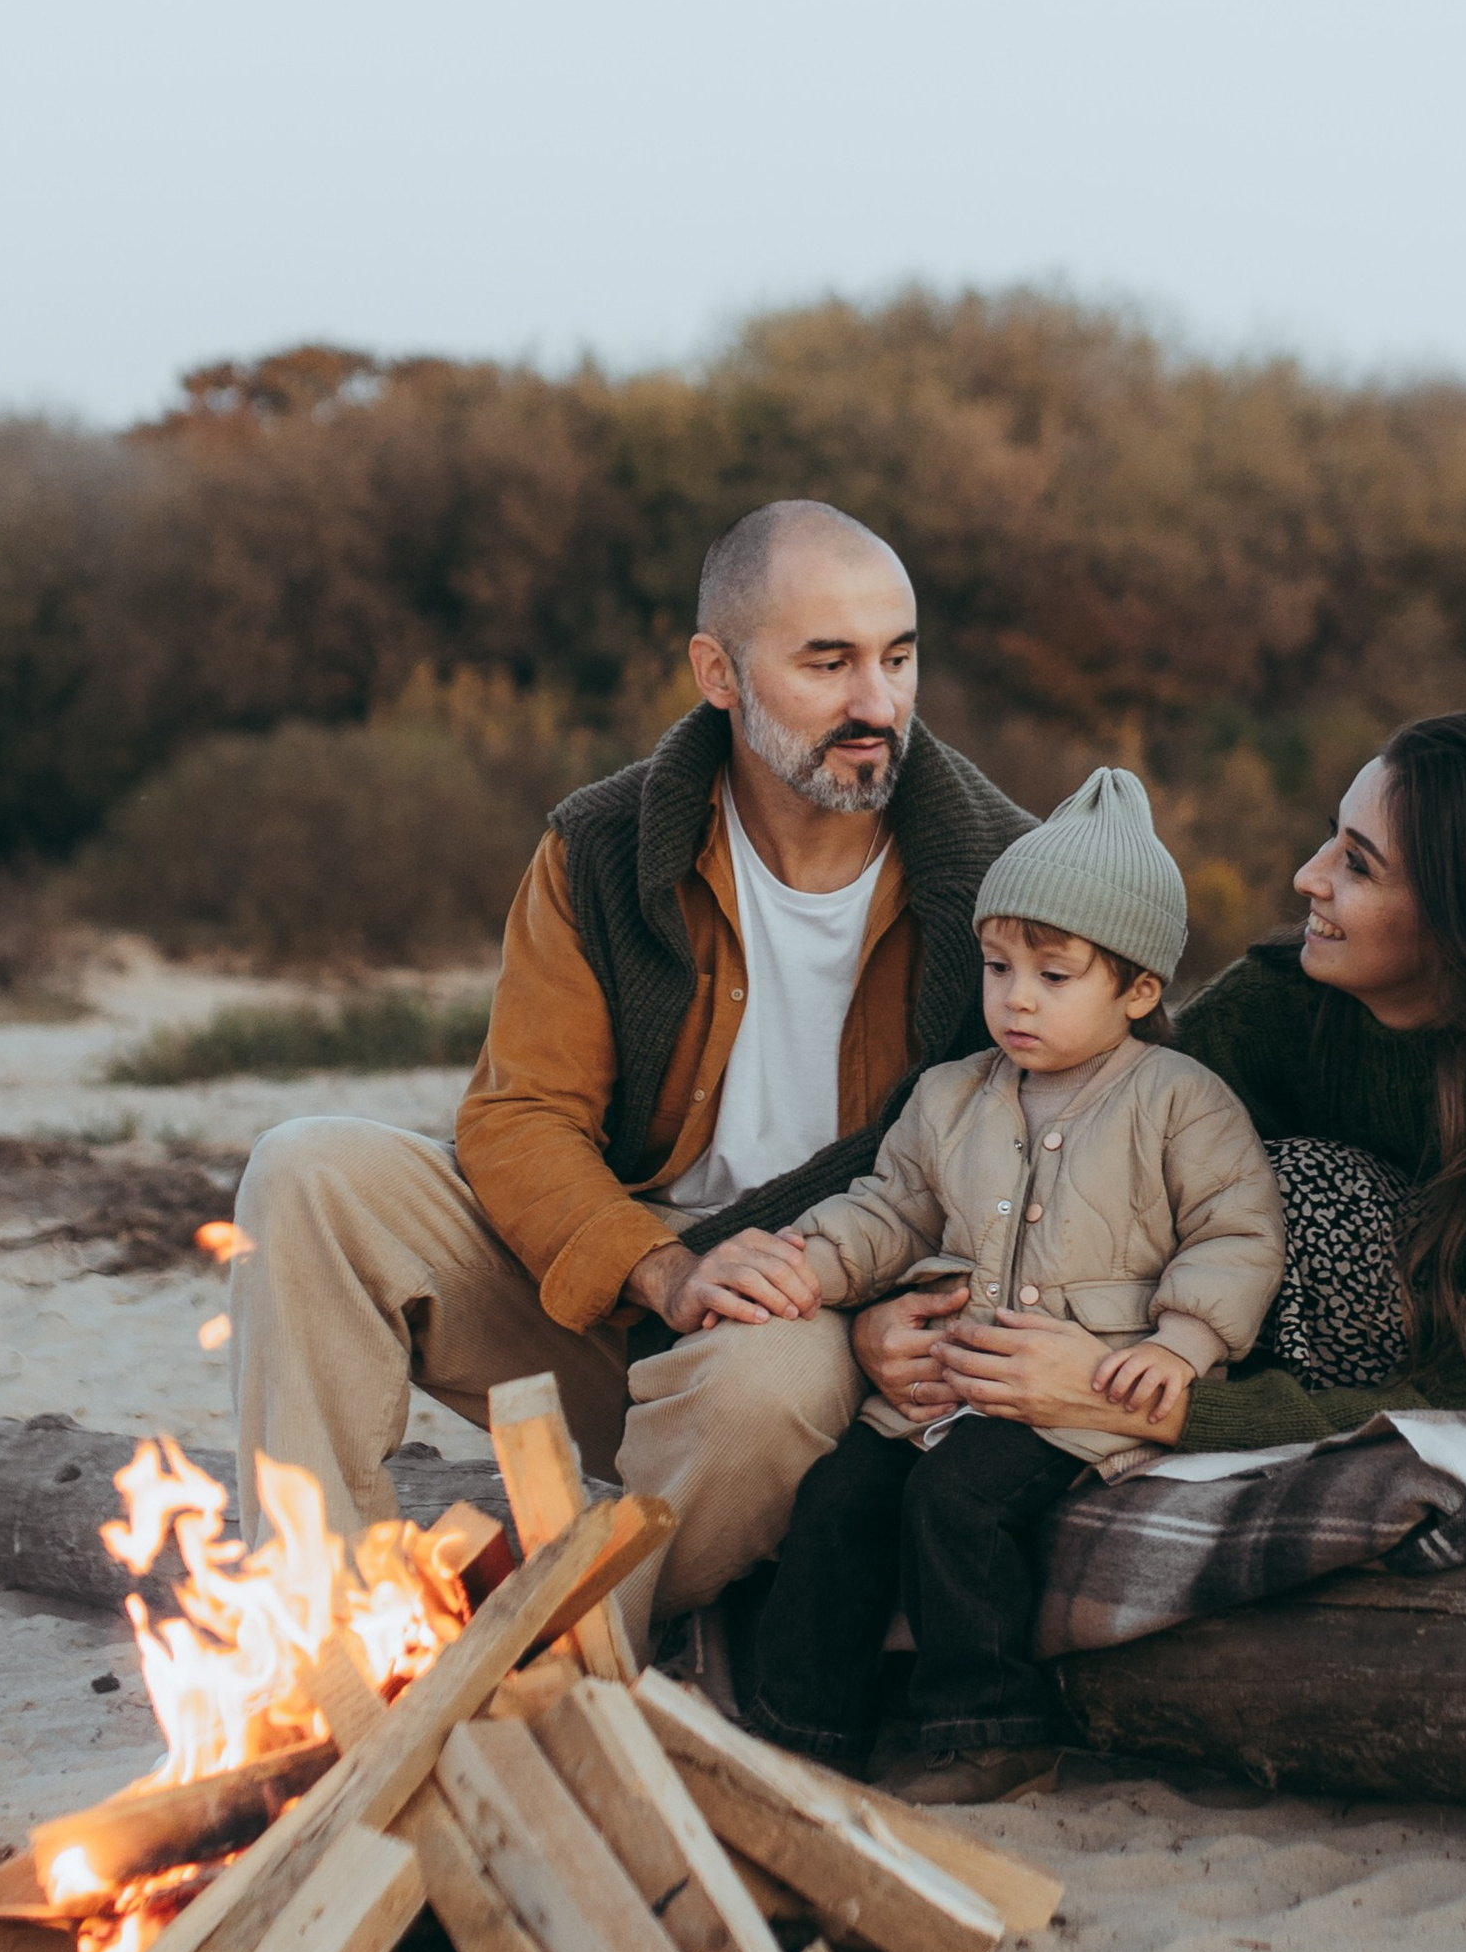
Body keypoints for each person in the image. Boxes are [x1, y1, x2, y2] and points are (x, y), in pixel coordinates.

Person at [226, 500, 1031, 1624]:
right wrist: (660, 1269)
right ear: (717, 670)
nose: (875, 705)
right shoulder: (603, 847)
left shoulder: (1005, 875)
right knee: (305, 1170)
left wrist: (903, 1309)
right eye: (827, 661)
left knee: (769, 1381)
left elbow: (1071, 1144)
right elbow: (518, 1120)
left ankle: (558, 1651)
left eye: (898, 658)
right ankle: (317, 1631)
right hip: (621, 1302)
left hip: (826, 1340)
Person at [920, 711, 1466, 1516]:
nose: (1308, 876)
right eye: (1333, 835)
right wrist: (911, 1311)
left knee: (1305, 1190)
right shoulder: (1282, 1002)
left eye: (1358, 864)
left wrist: (1149, 1406)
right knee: (1193, 1161)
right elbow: (1078, 1124)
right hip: (1427, 1331)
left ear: (1457, 916)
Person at [737, 767, 1286, 1803]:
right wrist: (807, 1262)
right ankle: (801, 1726)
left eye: (1053, 973)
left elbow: (1235, 1233)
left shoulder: (1180, 1101)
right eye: (997, 967)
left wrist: (1180, 1345)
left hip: (1083, 1393)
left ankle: (986, 1724)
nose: (1015, 998)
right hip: (946, 1381)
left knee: (960, 1502)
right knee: (839, 1498)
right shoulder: (952, 1095)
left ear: (1136, 990)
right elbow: (891, 1209)